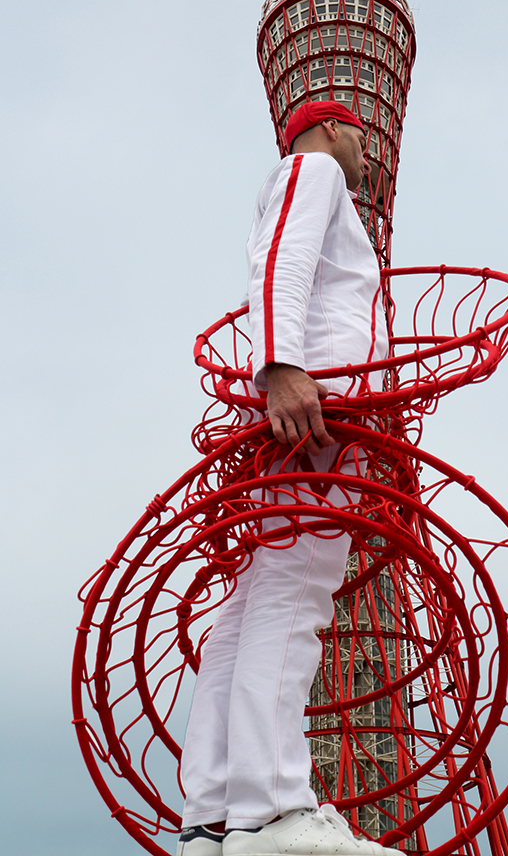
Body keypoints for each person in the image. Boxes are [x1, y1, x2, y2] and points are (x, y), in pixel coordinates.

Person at [177, 101, 393, 856]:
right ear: (330, 128)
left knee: (254, 601)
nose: (368, 149)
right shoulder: (314, 170)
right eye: (361, 135)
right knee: (295, 589)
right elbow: (284, 260)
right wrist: (284, 369)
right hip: (318, 407)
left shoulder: (296, 178)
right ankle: (271, 808)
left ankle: (211, 814)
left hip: (302, 405)